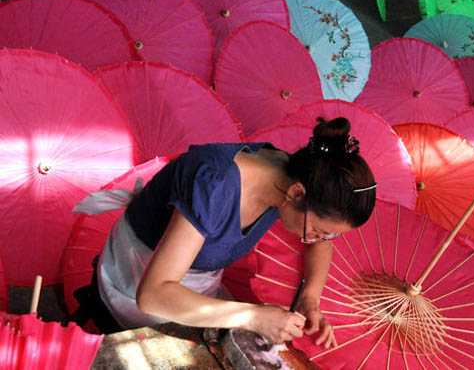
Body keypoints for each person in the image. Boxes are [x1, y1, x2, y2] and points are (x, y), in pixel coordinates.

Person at [72, 117, 376, 348]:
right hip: (137, 280)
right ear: (297, 194)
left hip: (195, 283)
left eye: (329, 235)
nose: (320, 241)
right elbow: (153, 296)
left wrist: (311, 298)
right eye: (320, 231)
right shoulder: (215, 183)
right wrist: (252, 316)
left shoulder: (297, 177)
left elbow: (320, 242)